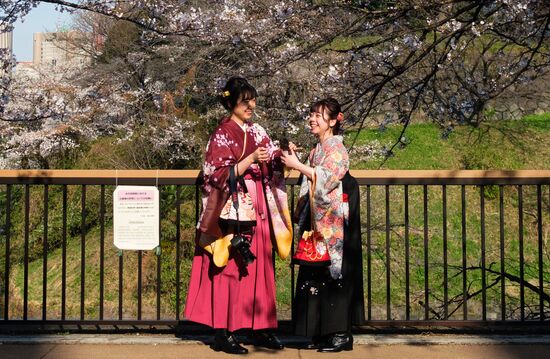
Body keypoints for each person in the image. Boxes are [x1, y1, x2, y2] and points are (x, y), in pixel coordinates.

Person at [184, 77, 293, 354]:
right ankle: (223, 331)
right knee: (229, 269)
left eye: (252, 100)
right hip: (233, 211)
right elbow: (214, 174)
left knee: (261, 268)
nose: (251, 105)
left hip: (258, 208)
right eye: (245, 101)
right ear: (231, 102)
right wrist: (250, 160)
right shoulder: (221, 133)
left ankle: (261, 328)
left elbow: (270, 158)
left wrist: (281, 157)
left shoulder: (258, 130)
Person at [281, 98, 365, 352]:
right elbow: (312, 180)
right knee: (316, 268)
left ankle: (341, 333)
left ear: (332, 121)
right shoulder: (316, 150)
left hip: (335, 217)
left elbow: (327, 179)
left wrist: (298, 166)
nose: (312, 119)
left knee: (334, 270)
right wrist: (298, 161)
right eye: (310, 114)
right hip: (320, 217)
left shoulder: (337, 150)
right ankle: (320, 330)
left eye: (318, 115)